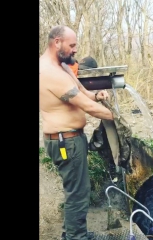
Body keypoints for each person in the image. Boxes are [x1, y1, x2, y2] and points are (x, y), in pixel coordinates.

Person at [39, 25, 114, 240]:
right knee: (77, 195)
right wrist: (117, 119)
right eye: (72, 46)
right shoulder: (48, 72)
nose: (75, 50)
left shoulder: (61, 67)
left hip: (71, 140)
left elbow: (82, 93)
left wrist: (97, 96)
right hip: (65, 143)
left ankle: (75, 234)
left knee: (78, 192)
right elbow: (86, 107)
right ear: (57, 43)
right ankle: (75, 238)